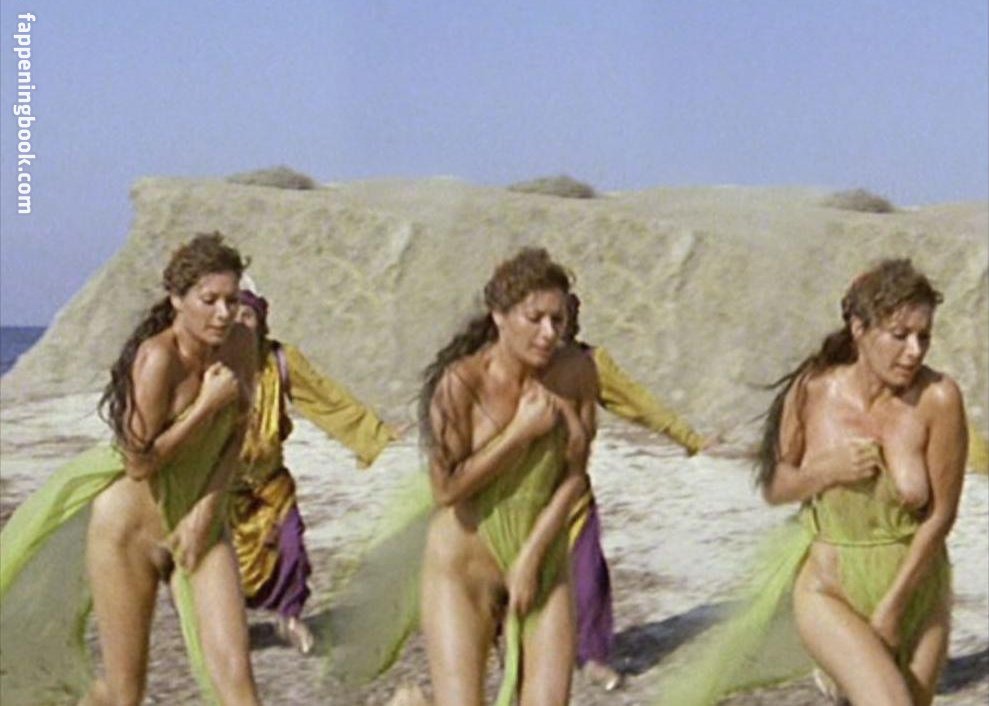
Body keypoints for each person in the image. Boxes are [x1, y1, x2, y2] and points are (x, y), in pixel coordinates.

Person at [654, 258, 967, 706]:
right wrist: (826, 471)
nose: (915, 351)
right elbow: (776, 487)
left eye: (924, 336)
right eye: (900, 335)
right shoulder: (813, 391)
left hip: (917, 588)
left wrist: (893, 607)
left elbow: (941, 516)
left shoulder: (939, 398)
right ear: (859, 329)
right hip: (830, 585)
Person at [0, 233, 263, 706]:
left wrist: (208, 507)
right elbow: (137, 462)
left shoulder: (242, 342)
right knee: (126, 695)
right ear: (177, 299)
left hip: (199, 519)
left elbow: (238, 430)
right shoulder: (158, 358)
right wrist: (205, 406)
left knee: (238, 682)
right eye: (209, 300)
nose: (224, 313)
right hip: (128, 531)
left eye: (232, 299)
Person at [328, 247, 598, 706]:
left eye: (558, 319)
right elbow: (445, 489)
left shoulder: (576, 372)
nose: (549, 333)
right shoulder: (461, 384)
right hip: (463, 567)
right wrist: (518, 434)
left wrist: (532, 556)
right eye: (535, 318)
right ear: (500, 316)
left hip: (543, 561)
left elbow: (576, 475)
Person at [230, 288, 399, 654]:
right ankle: (226, 629)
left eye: (248, 316)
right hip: (222, 490)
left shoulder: (280, 360)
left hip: (271, 484)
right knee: (224, 566)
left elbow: (327, 398)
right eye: (234, 315)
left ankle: (289, 618)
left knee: (290, 547)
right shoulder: (209, 363)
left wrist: (373, 434)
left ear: (260, 322)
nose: (240, 323)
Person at [562, 293, 713, 690]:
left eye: (567, 316)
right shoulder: (514, 366)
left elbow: (638, 401)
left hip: (573, 497)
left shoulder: (591, 363)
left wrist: (688, 437)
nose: (562, 326)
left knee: (589, 579)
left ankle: (593, 656)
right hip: (516, 501)